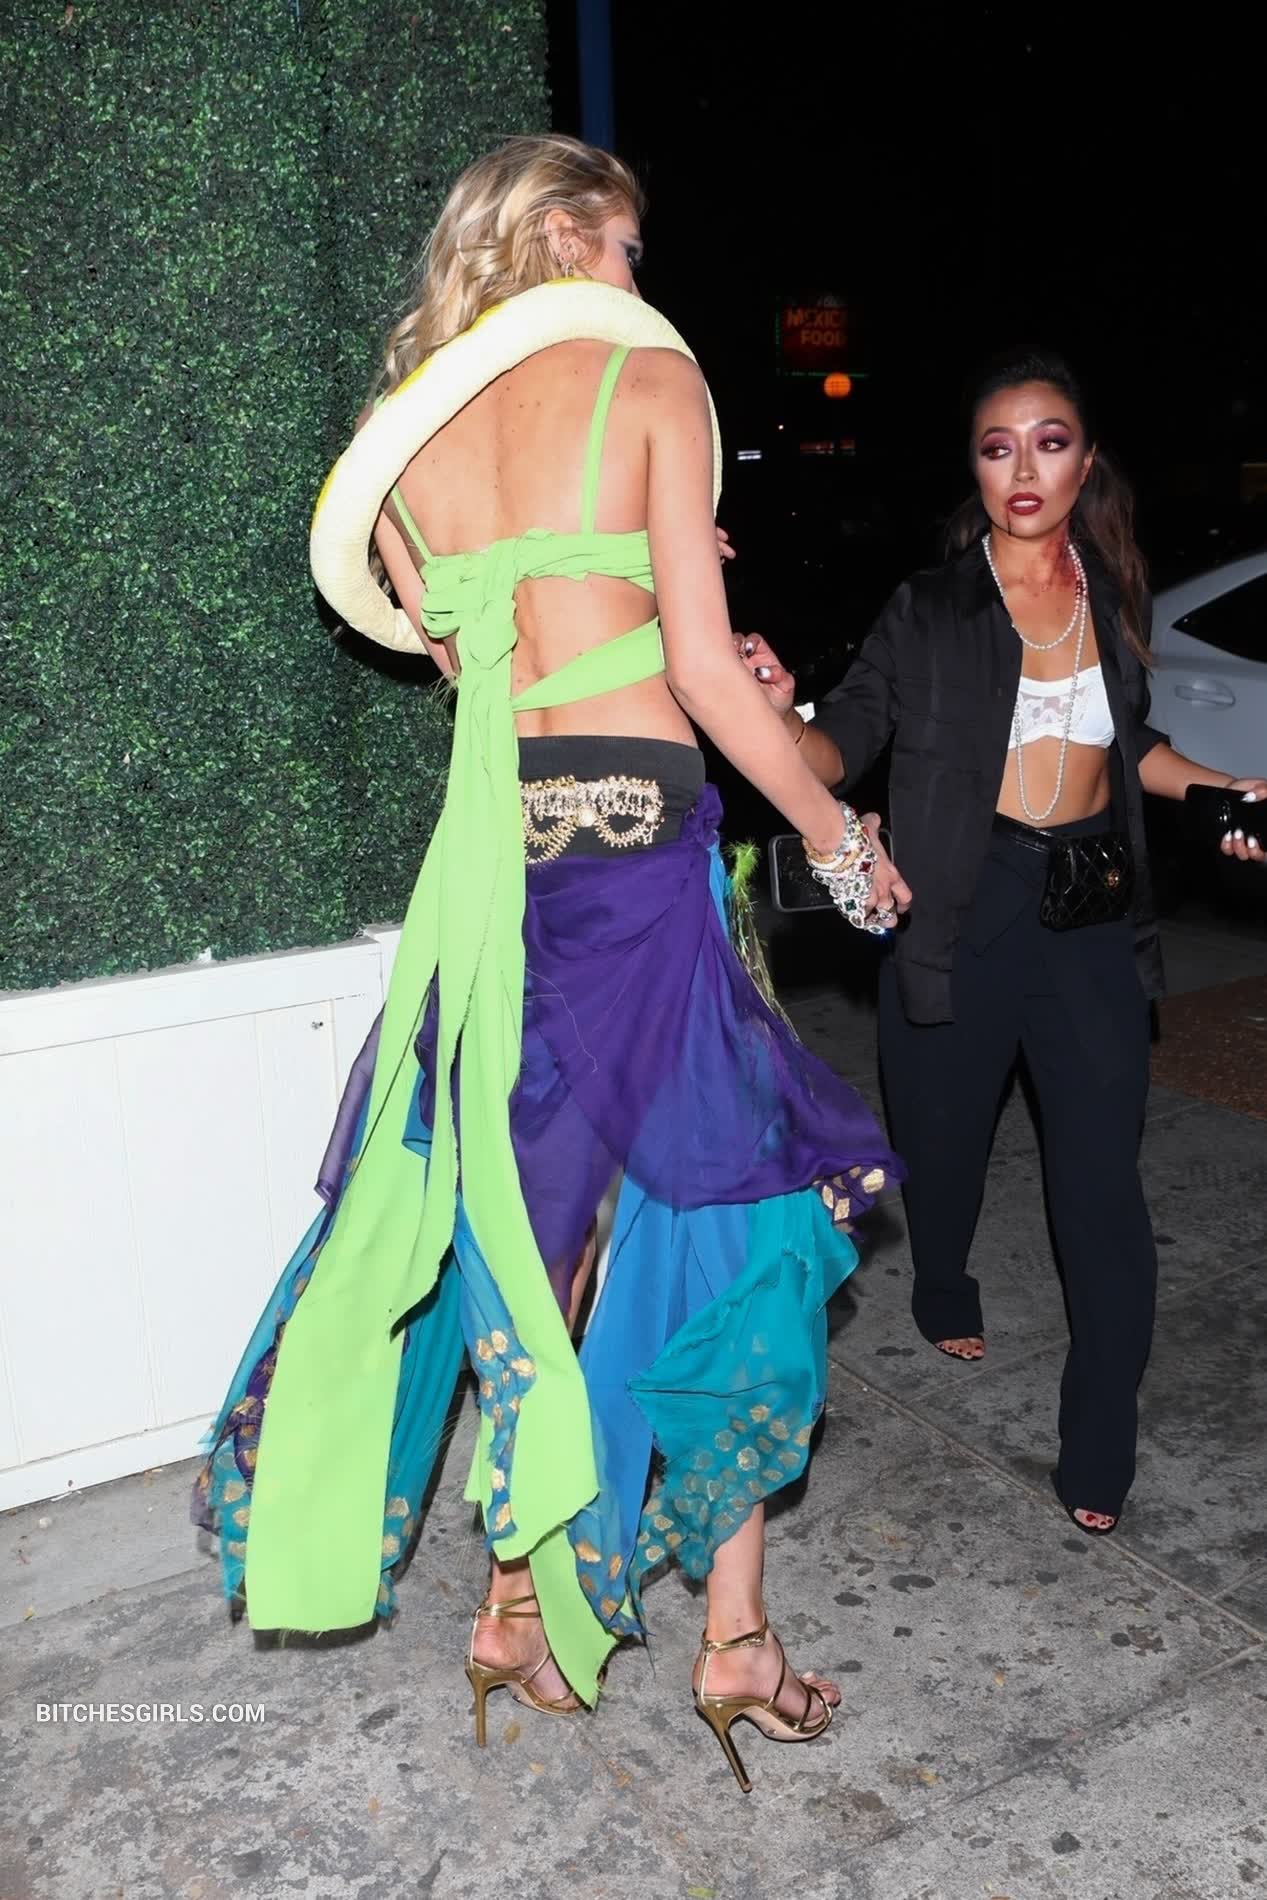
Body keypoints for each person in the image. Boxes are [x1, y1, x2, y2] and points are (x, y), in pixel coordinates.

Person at [192, 134, 904, 1792]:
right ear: (570, 231)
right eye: (628, 244)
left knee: (535, 1234)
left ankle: (517, 1606)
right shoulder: (645, 380)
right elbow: (703, 687)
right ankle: (733, 1642)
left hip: (498, 872)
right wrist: (838, 835)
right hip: (640, 846)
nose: (638, 278)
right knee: (736, 1212)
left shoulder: (408, 446)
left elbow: (472, 664)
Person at [737, 347, 1266, 1535]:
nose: (1023, 467)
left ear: (1085, 461)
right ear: (974, 468)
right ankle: (941, 1276)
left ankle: (1099, 1443)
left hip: (1087, 917)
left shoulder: (1110, 594)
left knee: (1102, 1186)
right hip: (960, 911)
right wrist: (781, 716)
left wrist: (1218, 791)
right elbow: (843, 742)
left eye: (1049, 441)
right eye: (996, 446)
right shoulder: (930, 609)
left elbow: (1131, 742)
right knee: (940, 1139)